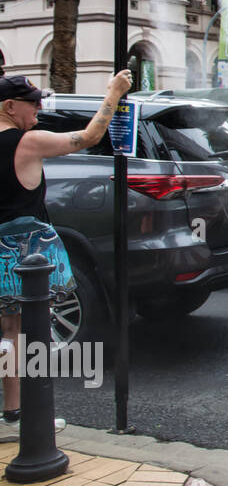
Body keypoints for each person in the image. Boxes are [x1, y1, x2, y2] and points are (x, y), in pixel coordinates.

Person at [0, 70, 133, 437]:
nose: (39, 109)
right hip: (28, 252)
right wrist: (114, 91)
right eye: (32, 103)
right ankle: (32, 422)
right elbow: (91, 136)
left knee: (9, 333)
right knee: (32, 334)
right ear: (10, 107)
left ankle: (12, 414)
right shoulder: (27, 142)